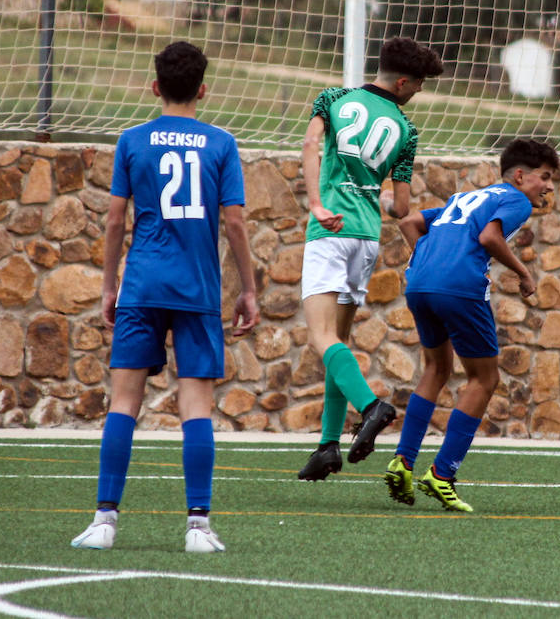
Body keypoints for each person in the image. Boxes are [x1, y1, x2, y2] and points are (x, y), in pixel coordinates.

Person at [71, 41, 259, 553]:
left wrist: (110, 284)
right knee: (195, 402)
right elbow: (236, 222)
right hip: (197, 288)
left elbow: (114, 219)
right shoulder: (222, 143)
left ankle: (104, 521)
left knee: (125, 399)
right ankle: (198, 527)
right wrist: (248, 288)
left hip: (144, 284)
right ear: (203, 89)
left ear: (155, 86)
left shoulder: (132, 141)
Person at [296, 36, 445, 481]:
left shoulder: (335, 99)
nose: (418, 91)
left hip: (330, 230)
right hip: (366, 240)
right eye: (418, 84)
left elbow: (309, 146)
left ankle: (371, 406)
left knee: (320, 338)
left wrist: (318, 203)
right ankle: (327, 447)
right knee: (336, 342)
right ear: (401, 82)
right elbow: (401, 208)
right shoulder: (406, 130)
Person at [384, 138, 560, 512]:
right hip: (460, 286)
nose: (548, 186)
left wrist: (432, 260)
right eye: (544, 177)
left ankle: (402, 461)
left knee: (437, 367)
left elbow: (411, 221)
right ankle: (442, 474)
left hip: (419, 283)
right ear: (519, 175)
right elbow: (489, 237)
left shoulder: (466, 198)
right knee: (485, 378)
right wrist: (524, 273)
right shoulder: (516, 199)